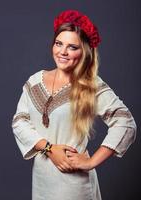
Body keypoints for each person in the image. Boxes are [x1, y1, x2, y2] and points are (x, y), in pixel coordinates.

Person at [12, 10, 136, 200]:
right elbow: (19, 121)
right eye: (58, 43)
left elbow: (125, 123)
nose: (62, 52)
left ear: (85, 51)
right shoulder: (35, 81)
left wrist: (91, 162)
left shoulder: (90, 86)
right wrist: (49, 148)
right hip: (41, 181)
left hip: (73, 184)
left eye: (72, 47)